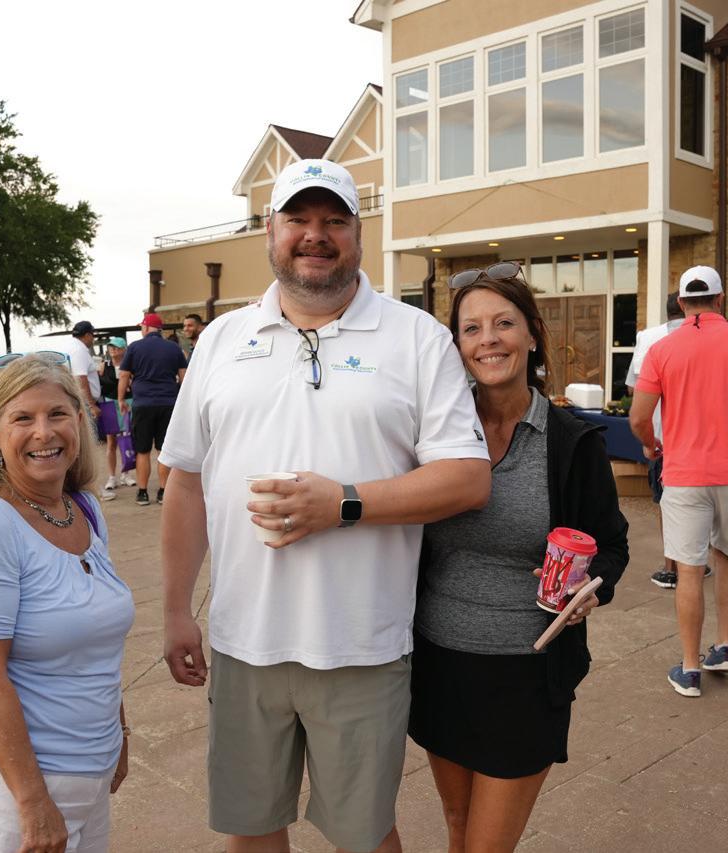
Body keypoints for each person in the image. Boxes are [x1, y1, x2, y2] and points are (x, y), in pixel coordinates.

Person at [158, 158, 492, 853]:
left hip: (361, 643)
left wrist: (342, 503)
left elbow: (466, 477)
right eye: (299, 219)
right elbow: (185, 481)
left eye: (335, 220)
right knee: (252, 828)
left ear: (359, 235)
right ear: (270, 232)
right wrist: (174, 610)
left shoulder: (415, 337)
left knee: (364, 835)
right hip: (244, 640)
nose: (316, 235)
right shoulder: (221, 340)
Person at [410, 265, 628, 852]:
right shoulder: (436, 432)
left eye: (504, 323)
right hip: (438, 665)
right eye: (471, 328)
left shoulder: (571, 442)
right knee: (457, 826)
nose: (489, 340)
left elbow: (612, 544)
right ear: (457, 345)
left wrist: (590, 588)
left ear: (532, 334)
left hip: (526, 673)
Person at [0, 353, 134, 853]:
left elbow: (96, 642)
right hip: (18, 789)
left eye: (57, 414)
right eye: (23, 418)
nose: (44, 432)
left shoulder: (84, 508)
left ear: (79, 421)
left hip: (91, 771)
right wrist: (32, 802)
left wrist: (118, 733)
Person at [629, 266, 728, 697]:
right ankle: (725, 646)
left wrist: (651, 445)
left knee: (689, 569)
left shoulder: (662, 349)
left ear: (681, 302)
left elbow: (639, 417)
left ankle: (689, 668)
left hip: (684, 473)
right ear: (720, 300)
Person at [625, 294, 707, 589]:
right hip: (701, 436)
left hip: (661, 435)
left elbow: (634, 389)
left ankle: (671, 567)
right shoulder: (708, 338)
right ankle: (696, 562)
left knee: (666, 502)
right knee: (700, 501)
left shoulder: (648, 338)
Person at [117, 312, 187, 506]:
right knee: (164, 449)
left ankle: (142, 492)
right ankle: (164, 491)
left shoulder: (134, 347)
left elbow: (124, 376)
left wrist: (121, 399)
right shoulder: (174, 348)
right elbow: (184, 377)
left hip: (143, 404)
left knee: (143, 450)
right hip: (168, 403)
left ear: (147, 327)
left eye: (142, 327)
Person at [97, 337, 134, 499]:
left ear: (124, 349)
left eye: (117, 347)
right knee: (111, 441)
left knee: (127, 439)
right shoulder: (104, 365)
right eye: (111, 347)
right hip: (109, 404)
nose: (113, 349)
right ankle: (112, 477)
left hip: (128, 403)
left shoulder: (131, 365)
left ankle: (126, 473)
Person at [64, 320, 104, 428]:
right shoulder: (79, 350)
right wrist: (91, 405)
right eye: (93, 335)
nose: (93, 339)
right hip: (84, 403)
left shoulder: (73, 347)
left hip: (80, 401)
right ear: (87, 335)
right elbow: (81, 379)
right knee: (90, 435)